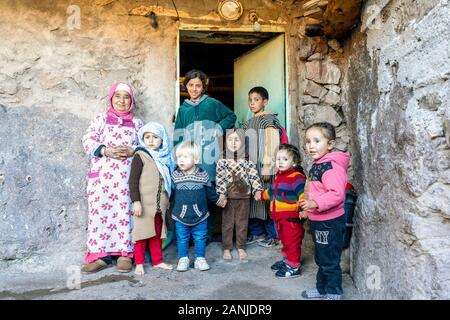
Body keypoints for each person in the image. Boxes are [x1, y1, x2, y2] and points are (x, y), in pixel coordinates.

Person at [81, 82, 143, 273]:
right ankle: (99, 256)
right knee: (100, 215)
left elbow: (148, 146)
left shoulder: (137, 123)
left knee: (125, 214)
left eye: (126, 97)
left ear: (131, 101)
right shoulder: (100, 119)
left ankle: (125, 254)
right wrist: (106, 150)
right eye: (118, 96)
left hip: (126, 180)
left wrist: (134, 150)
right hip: (102, 180)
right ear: (111, 99)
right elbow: (87, 141)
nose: (122, 101)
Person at [174, 69, 237, 243]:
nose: (194, 89)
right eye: (191, 85)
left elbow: (231, 116)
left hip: (209, 157)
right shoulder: (183, 109)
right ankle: (192, 234)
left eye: (198, 86)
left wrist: (218, 128)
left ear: (203, 87)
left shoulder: (212, 104)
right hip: (190, 158)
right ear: (186, 86)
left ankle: (206, 234)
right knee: (193, 192)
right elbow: (178, 135)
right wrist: (178, 155)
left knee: (209, 192)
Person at [299, 122, 350, 300]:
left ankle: (334, 292)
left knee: (329, 260)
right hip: (318, 220)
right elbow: (316, 190)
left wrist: (315, 203)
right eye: (308, 141)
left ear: (330, 144)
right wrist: (308, 208)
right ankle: (322, 289)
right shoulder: (318, 164)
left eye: (317, 141)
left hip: (330, 222)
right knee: (321, 258)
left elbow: (337, 195)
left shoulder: (330, 166)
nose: (311, 146)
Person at [128, 121, 176, 275]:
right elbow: (133, 180)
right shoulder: (140, 155)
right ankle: (139, 263)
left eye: (155, 137)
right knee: (141, 234)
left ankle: (157, 261)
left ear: (162, 140)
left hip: (159, 205)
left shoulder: (165, 159)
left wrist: (167, 201)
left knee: (157, 233)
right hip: (143, 204)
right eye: (147, 137)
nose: (150, 140)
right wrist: (136, 202)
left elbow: (167, 182)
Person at [255, 144, 306, 278]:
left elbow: (303, 195)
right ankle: (287, 259)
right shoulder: (279, 176)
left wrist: (303, 209)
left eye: (284, 159)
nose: (280, 162)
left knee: (292, 241)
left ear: (294, 162)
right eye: (278, 159)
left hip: (291, 219)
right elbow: (272, 192)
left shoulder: (297, 177)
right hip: (280, 218)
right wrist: (261, 195)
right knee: (284, 240)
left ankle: (294, 266)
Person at [171, 141, 220, 272]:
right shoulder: (175, 175)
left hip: (200, 214)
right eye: (179, 157)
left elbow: (210, 192)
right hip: (180, 214)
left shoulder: (203, 175)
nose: (181, 160)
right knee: (182, 237)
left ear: (196, 159)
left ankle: (200, 259)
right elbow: (171, 194)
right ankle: (183, 259)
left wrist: (218, 200)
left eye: (185, 157)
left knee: (200, 236)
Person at [242, 86, 282, 248]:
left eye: (256, 100)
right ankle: (258, 232)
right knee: (253, 200)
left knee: (266, 200)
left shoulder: (269, 119)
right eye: (250, 100)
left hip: (264, 168)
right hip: (251, 168)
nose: (252, 103)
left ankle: (273, 235)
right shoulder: (250, 121)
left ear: (265, 102)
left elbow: (273, 143)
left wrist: (268, 166)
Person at [215, 129, 263, 261]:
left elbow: (253, 175)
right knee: (227, 223)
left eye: (237, 140)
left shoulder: (247, 159)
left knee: (242, 223)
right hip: (228, 198)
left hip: (244, 196)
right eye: (230, 140)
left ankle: (241, 246)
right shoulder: (222, 159)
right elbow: (220, 178)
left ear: (243, 142)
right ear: (225, 142)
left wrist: (257, 190)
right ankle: (226, 247)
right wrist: (222, 194)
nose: (234, 142)